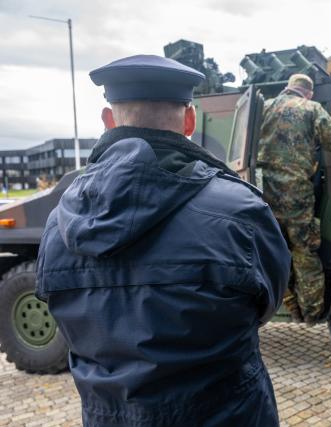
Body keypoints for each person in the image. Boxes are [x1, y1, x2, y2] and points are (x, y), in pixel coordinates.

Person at [35, 55, 290, 427]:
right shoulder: (241, 211)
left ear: (108, 121)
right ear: (189, 120)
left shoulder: (58, 223)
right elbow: (268, 302)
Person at [257, 73, 331, 325]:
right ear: (308, 93)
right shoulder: (311, 107)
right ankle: (311, 315)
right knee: (304, 251)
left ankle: (289, 307)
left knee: (275, 250)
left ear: (288, 88)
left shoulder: (262, 107)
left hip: (262, 192)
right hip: (296, 193)